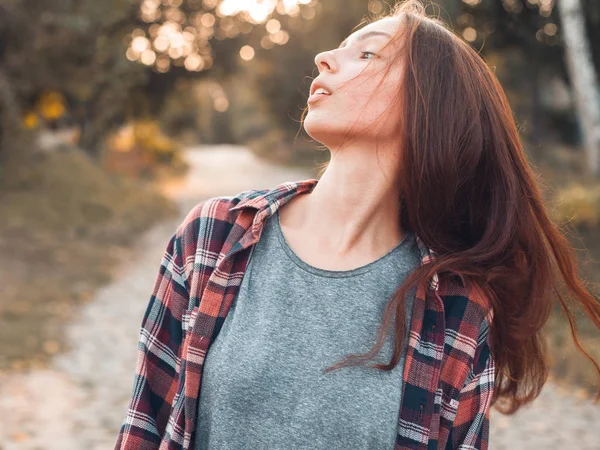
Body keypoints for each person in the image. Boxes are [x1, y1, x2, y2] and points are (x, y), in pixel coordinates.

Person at [115, 1, 600, 449]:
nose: (325, 57)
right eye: (339, 47)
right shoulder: (214, 235)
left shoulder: (456, 308)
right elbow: (144, 426)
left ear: (426, 105)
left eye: (367, 54)